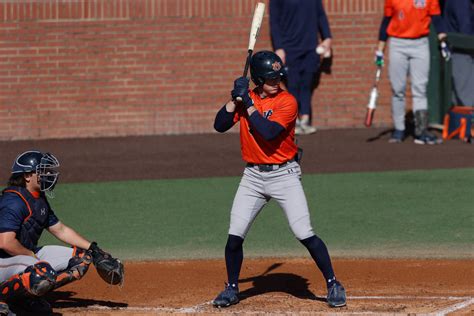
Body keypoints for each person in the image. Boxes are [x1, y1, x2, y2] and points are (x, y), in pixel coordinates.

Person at [212, 51, 346, 308]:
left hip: (284, 175)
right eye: (271, 78)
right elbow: (219, 125)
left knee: (304, 233)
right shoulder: (246, 99)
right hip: (252, 177)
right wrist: (233, 100)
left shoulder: (288, 102)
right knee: (234, 236)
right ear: (259, 79)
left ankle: (333, 283)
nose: (277, 81)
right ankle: (231, 288)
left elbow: (269, 132)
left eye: (278, 77)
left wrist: (246, 103)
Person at [0, 150, 124, 315]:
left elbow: (60, 229)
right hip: (3, 261)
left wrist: (94, 249)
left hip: (20, 258)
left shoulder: (38, 199)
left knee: (81, 259)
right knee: (42, 272)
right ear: (28, 176)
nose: (48, 175)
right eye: (42, 171)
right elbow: (6, 243)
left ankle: (24, 298)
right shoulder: (13, 201)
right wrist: (33, 258)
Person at [376, 0, 450, 144]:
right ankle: (399, 130)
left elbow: (436, 18)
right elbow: (386, 21)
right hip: (398, 43)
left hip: (420, 43)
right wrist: (380, 49)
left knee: (420, 89)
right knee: (398, 89)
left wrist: (443, 42)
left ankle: (421, 131)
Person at [270, 0, 332, 135]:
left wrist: (327, 37)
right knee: (293, 84)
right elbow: (274, 22)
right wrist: (279, 47)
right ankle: (295, 121)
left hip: (310, 47)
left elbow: (320, 15)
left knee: (306, 84)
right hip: (289, 48)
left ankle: (305, 120)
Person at [441, 0, 474, 106]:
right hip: (462, 54)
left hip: (458, 54)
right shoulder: (461, 2)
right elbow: (466, 32)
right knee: (467, 101)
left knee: (458, 101)